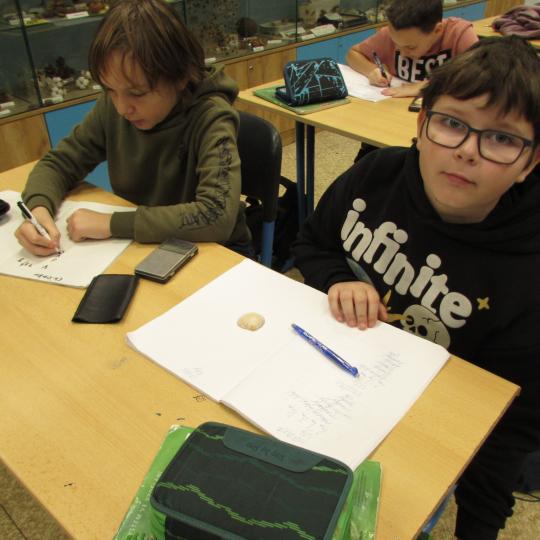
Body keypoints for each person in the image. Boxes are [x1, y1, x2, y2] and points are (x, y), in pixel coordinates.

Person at [293, 36, 540, 539]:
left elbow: (505, 430)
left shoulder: (528, 279)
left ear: (530, 163)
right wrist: (338, 278)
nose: (466, 151)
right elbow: (312, 243)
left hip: (423, 428)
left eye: (501, 138)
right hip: (327, 384)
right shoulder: (374, 176)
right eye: (451, 123)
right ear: (422, 123)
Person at [15, 0, 250, 256]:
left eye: (137, 93)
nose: (121, 108)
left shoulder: (211, 117)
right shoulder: (115, 106)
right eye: (110, 90)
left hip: (216, 250)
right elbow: (59, 163)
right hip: (148, 243)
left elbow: (216, 216)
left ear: (181, 77)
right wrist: (39, 210)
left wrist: (112, 224)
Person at [346, 0, 478, 99]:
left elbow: (480, 77)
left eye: (410, 47)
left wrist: (427, 86)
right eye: (396, 44)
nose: (403, 53)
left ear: (437, 30)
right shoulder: (393, 34)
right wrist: (371, 70)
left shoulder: (459, 34)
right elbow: (353, 54)